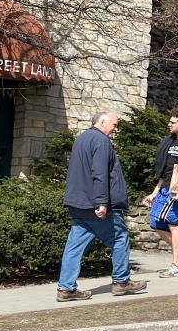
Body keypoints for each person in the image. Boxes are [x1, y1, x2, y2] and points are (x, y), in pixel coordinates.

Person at [56, 110, 148, 301]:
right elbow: (100, 173)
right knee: (120, 238)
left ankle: (66, 288)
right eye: (114, 125)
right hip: (97, 204)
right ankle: (121, 282)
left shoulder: (81, 139)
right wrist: (101, 202)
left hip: (78, 203)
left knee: (74, 246)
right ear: (103, 122)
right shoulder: (101, 141)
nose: (115, 129)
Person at [143, 106, 178, 278]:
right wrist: (154, 192)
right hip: (164, 188)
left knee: (172, 224)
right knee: (155, 222)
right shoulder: (171, 141)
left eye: (172, 122)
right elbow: (164, 171)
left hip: (176, 190)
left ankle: (177, 266)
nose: (169, 124)